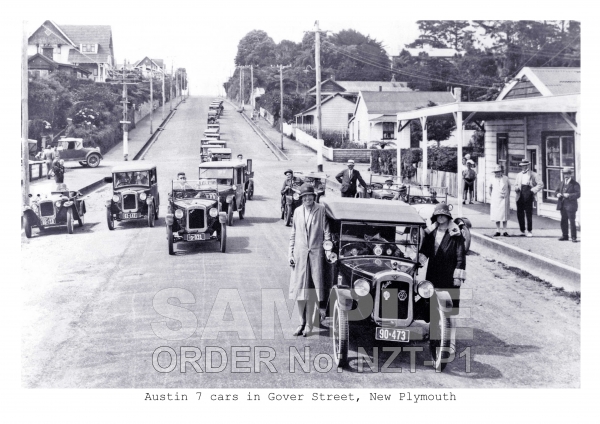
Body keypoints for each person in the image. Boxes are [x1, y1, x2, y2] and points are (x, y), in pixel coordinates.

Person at [418, 203, 466, 352]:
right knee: (433, 307)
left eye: (443, 215)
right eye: (438, 215)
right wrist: (418, 260)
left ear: (448, 216)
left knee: (449, 311)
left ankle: (450, 343)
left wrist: (458, 275)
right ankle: (435, 337)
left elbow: (460, 256)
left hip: (449, 275)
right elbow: (425, 250)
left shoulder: (455, 233)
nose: (440, 217)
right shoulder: (432, 232)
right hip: (433, 273)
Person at [288, 184, 331, 337]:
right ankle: (301, 323)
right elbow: (293, 234)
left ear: (314, 196)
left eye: (310, 196)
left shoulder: (321, 210)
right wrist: (290, 254)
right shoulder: (298, 211)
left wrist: (327, 248)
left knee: (312, 291)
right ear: (301, 198)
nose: (307, 198)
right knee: (300, 290)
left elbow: (326, 232)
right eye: (304, 196)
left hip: (315, 255)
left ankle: (309, 325)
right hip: (300, 255)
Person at [514, 160, 543, 237]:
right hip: (520, 195)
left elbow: (541, 184)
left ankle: (529, 230)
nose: (523, 167)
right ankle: (522, 230)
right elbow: (516, 184)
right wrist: (516, 188)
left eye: (525, 165)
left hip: (528, 195)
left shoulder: (534, 174)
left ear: (528, 166)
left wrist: (532, 190)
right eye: (522, 166)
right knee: (519, 213)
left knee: (528, 214)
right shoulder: (519, 175)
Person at [555, 168, 580, 243]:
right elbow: (556, 191)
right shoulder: (561, 183)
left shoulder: (575, 184)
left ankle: (573, 237)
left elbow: (578, 194)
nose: (566, 175)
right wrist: (557, 194)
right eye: (565, 174)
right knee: (563, 221)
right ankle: (565, 235)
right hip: (562, 205)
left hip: (571, 206)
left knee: (572, 221)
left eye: (567, 174)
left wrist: (569, 195)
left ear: (570, 174)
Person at [488, 165, 511, 237]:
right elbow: (490, 188)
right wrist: (492, 196)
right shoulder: (492, 179)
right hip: (496, 198)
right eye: (496, 172)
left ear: (501, 172)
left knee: (504, 215)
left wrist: (507, 195)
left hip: (504, 199)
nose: (497, 173)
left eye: (498, 172)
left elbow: (509, 187)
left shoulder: (505, 178)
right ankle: (498, 230)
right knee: (496, 215)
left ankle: (505, 231)